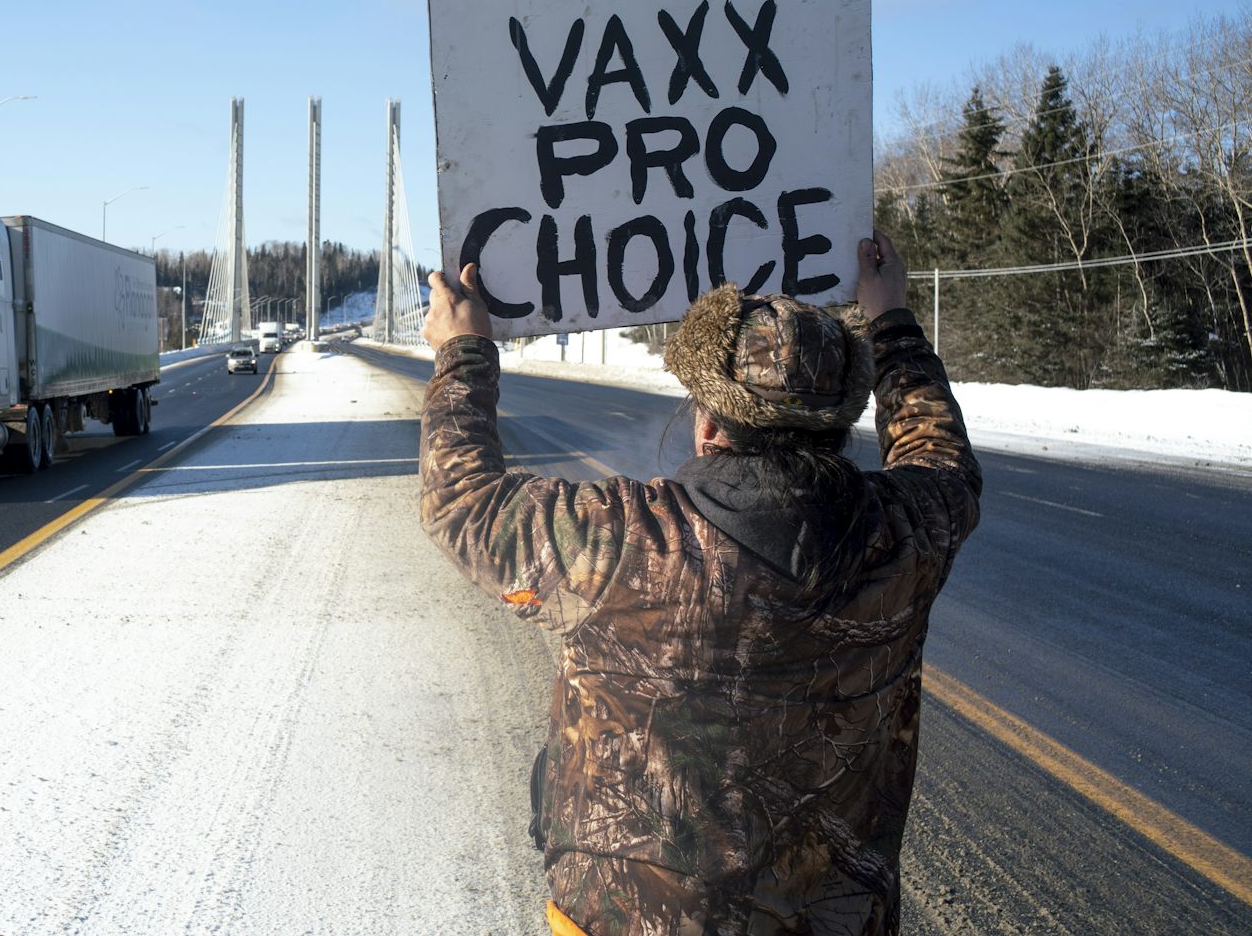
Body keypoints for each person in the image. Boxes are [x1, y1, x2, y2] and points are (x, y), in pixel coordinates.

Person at [418, 231, 980, 936]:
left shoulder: (622, 542)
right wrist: (892, 322)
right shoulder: (907, 534)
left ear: (707, 424)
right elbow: (940, 457)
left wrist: (463, 351)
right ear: (837, 425)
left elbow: (462, 502)